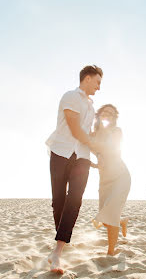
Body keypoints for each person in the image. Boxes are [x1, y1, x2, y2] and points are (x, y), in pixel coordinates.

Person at [45, 65, 103, 274]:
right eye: (97, 82)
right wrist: (96, 148)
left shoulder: (92, 107)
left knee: (75, 199)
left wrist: (96, 156)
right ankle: (59, 245)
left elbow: (86, 134)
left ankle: (58, 251)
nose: (98, 88)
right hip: (60, 153)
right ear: (87, 78)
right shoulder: (70, 96)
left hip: (83, 158)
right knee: (58, 200)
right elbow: (75, 129)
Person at [91, 104, 131, 256]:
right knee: (107, 218)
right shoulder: (93, 135)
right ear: (99, 115)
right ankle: (121, 221)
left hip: (120, 176)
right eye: (105, 112)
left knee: (111, 213)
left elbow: (111, 147)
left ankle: (110, 252)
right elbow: (85, 146)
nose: (108, 115)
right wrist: (93, 163)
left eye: (112, 114)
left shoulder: (116, 131)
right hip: (105, 179)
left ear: (115, 118)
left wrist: (100, 156)